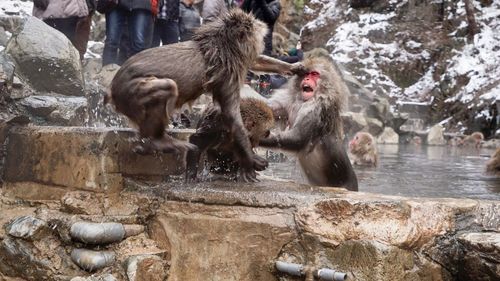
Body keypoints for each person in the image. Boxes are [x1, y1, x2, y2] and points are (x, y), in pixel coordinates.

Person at [102, 0, 156, 66]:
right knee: (111, 41)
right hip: (116, 4)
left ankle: (137, 72)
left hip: (141, 4)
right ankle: (107, 73)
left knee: (139, 44)